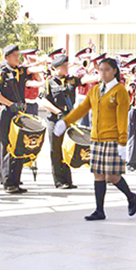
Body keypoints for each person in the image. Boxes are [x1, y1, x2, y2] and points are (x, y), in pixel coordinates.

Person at [55, 58, 136, 221]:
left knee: (113, 176)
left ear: (114, 71)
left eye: (107, 69)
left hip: (112, 139)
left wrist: (122, 141)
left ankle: (130, 196)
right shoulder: (95, 91)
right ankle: (99, 210)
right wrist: (66, 121)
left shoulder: (119, 91)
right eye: (100, 69)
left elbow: (122, 118)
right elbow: (82, 109)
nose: (103, 73)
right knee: (98, 175)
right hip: (97, 138)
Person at [0, 44, 45, 193]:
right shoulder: (1, 72)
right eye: (14, 55)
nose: (18, 58)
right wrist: (9, 104)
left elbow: (32, 69)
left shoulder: (20, 70)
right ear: (7, 57)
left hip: (19, 111)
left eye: (18, 55)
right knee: (8, 146)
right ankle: (8, 181)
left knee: (19, 145)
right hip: (8, 111)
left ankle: (16, 180)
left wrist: (43, 63)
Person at [40, 53, 98, 189]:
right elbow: (43, 100)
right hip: (55, 119)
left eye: (67, 65)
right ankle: (59, 180)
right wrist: (58, 112)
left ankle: (68, 179)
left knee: (67, 148)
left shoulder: (71, 80)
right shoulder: (49, 82)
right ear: (56, 68)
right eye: (64, 66)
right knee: (56, 149)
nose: (67, 68)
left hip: (68, 118)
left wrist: (101, 73)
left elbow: (86, 80)